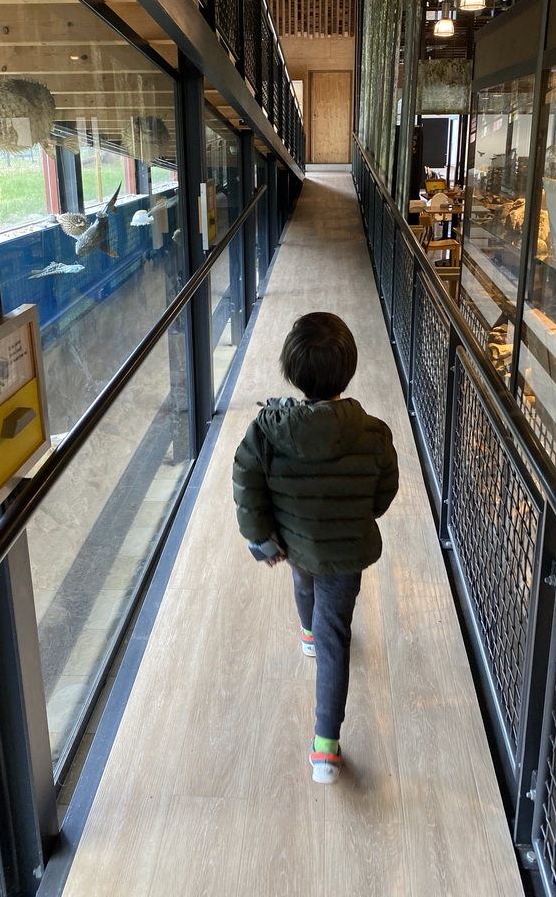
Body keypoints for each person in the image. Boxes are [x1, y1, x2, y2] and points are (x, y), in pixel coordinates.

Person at [232, 312, 399, 784]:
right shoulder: (372, 432)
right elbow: (385, 488)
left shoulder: (267, 430)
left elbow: (246, 484)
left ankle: (305, 630)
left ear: (292, 373)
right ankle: (326, 746)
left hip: (295, 543)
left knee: (301, 581)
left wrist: (262, 540)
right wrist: (359, 513)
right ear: (348, 372)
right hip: (345, 552)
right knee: (336, 638)